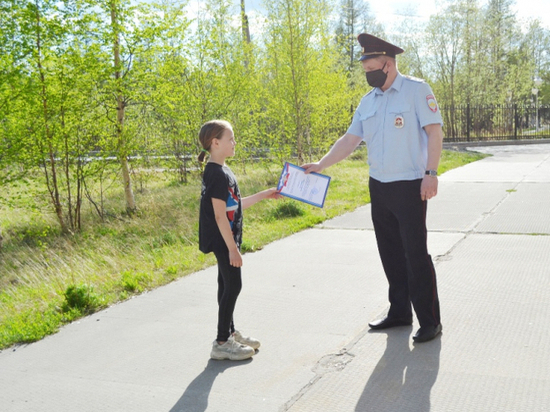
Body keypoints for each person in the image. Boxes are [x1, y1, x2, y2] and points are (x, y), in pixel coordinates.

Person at [302, 33, 444, 343]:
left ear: (388, 64)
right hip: (378, 186)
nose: (367, 74)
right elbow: (349, 140)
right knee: (390, 253)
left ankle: (430, 320)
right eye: (364, 69)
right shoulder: (368, 102)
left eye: (370, 68)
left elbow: (434, 133)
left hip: (409, 185)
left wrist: (431, 173)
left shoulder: (416, 91)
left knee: (415, 254)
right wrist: (321, 164)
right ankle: (399, 312)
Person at [198, 120, 282, 360]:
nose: (234, 143)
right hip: (223, 239)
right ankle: (222, 341)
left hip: (226, 238)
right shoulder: (215, 173)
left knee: (226, 285)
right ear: (215, 143)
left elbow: (235, 205)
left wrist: (265, 194)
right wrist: (233, 249)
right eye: (230, 139)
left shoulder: (223, 170)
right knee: (233, 285)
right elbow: (218, 215)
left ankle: (230, 333)